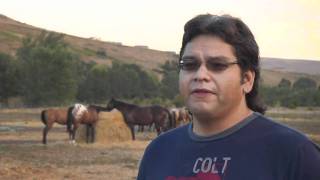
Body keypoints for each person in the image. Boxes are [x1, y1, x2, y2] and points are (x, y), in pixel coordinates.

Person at [137, 14, 320, 180]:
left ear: (247, 79)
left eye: (217, 65)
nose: (200, 75)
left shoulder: (295, 155)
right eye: (189, 65)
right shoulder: (158, 152)